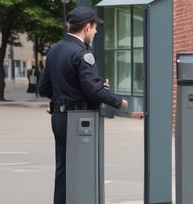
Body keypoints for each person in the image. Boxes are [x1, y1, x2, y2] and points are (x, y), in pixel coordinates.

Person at [38, 7, 128, 204]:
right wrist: (119, 102)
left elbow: (43, 88)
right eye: (95, 28)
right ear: (87, 27)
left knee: (63, 169)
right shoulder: (82, 54)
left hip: (59, 118)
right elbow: (93, 91)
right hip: (79, 120)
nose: (95, 32)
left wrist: (66, 95)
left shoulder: (55, 50)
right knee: (83, 170)